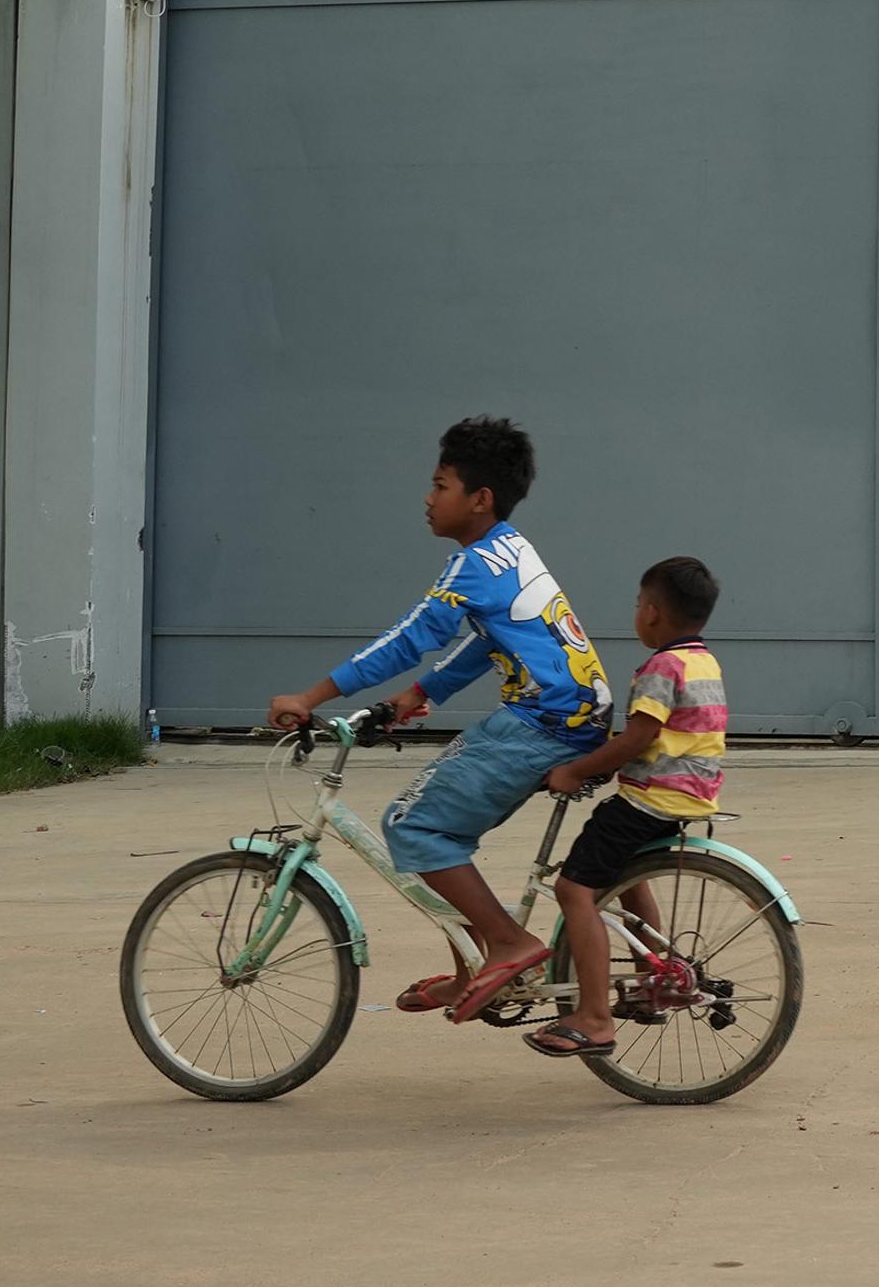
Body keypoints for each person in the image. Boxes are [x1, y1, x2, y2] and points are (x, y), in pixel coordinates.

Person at [262, 416, 617, 1024]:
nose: (428, 499)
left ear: (479, 499)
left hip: (545, 721)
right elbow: (485, 643)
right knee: (436, 823)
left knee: (414, 824)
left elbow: (409, 639)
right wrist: (418, 695)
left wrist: (314, 694)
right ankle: (472, 967)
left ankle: (508, 946)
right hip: (573, 715)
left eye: (440, 485)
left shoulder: (473, 565)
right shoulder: (512, 548)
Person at [525, 557, 728, 1060]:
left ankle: (594, 1017)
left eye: (639, 605)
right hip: (690, 795)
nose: (636, 613)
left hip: (650, 797)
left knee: (573, 890)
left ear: (654, 613)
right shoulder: (704, 660)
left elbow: (640, 737)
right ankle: (649, 981)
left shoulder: (662, 666)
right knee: (627, 878)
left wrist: (575, 770)